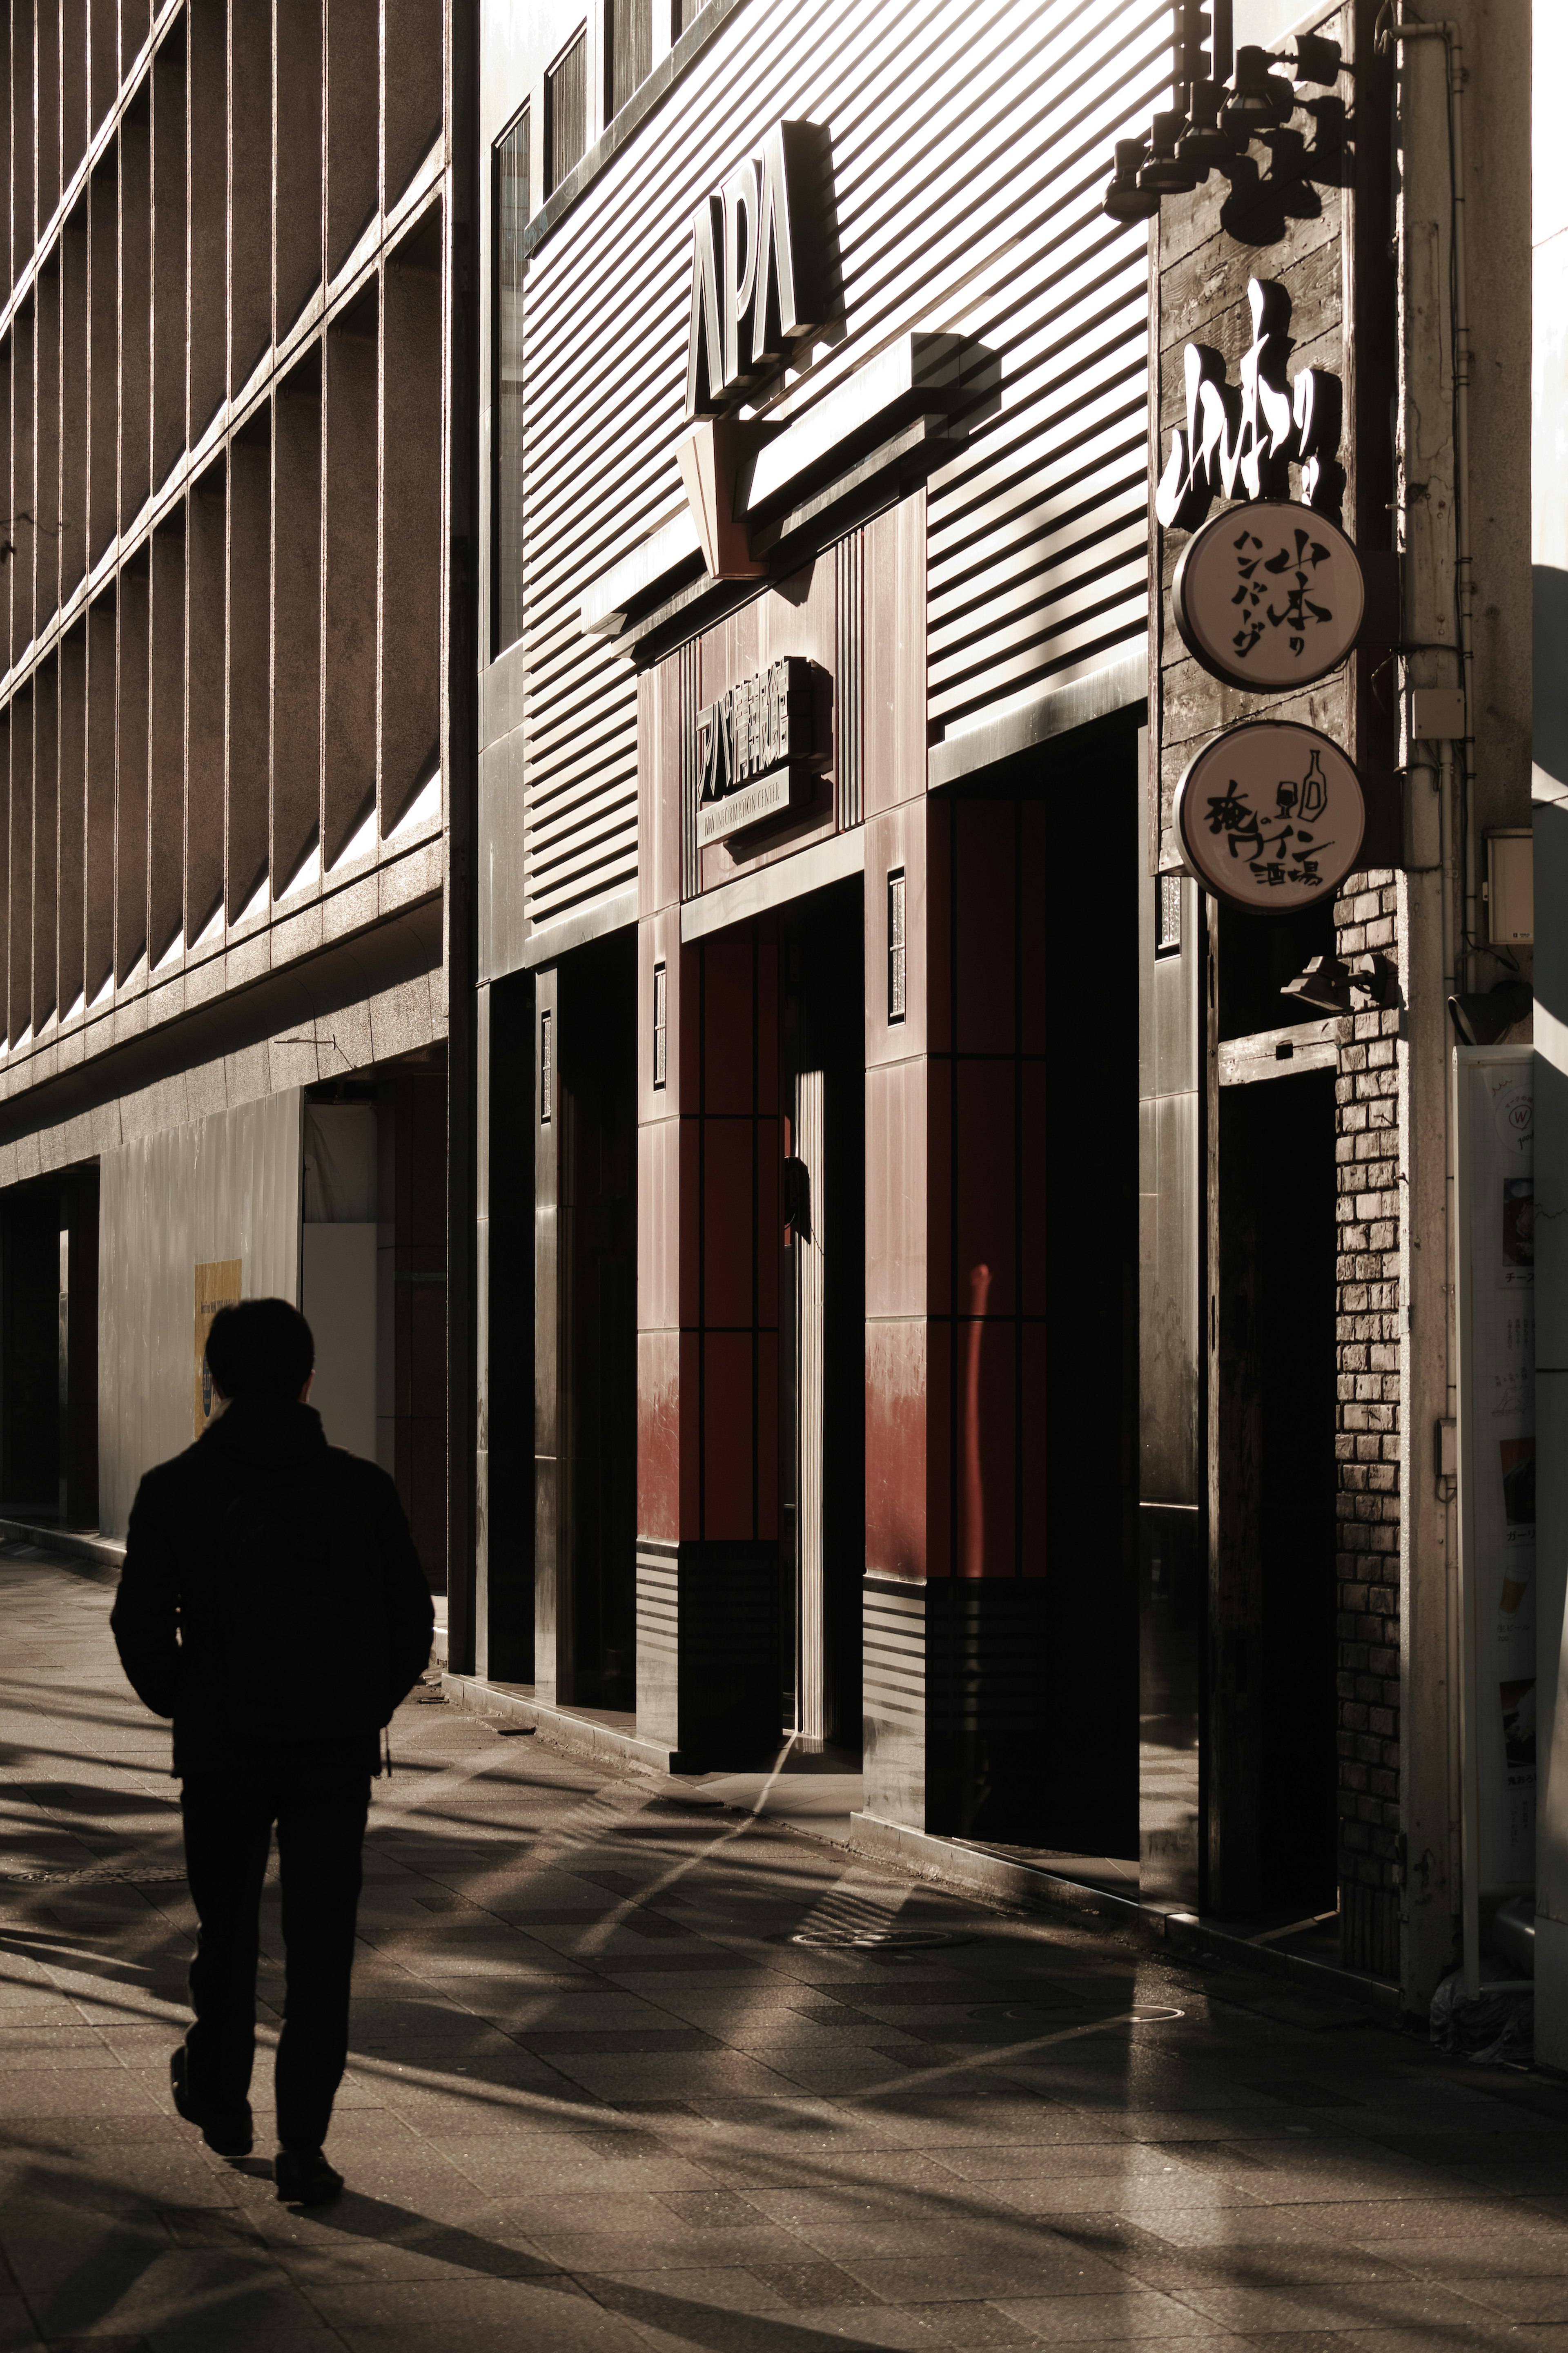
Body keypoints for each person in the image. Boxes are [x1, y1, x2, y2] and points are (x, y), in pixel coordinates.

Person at [110, 1297, 434, 2206]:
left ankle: (221, 2098)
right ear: (307, 1379)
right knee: (321, 1946)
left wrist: (192, 1704)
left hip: (222, 1751)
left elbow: (137, 1625)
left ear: (213, 1380)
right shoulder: (360, 1489)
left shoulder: (174, 1488)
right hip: (331, 1752)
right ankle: (304, 2147)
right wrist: (359, 1704)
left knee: (228, 1933)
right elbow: (412, 1620)